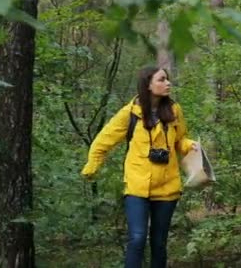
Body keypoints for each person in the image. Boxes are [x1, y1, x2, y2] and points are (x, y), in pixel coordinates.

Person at [81, 66, 199, 268]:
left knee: (159, 244)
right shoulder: (130, 113)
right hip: (137, 187)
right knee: (137, 238)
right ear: (148, 85)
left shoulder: (174, 110)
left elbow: (180, 140)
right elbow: (103, 141)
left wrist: (190, 145)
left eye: (168, 79)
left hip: (167, 187)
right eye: (162, 79)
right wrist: (92, 166)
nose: (168, 83)